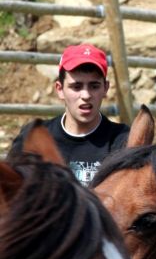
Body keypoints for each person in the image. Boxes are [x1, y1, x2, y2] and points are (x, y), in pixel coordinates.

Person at [10, 44, 129, 186]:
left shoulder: (122, 140)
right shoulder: (33, 138)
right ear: (60, 89)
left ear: (105, 88)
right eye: (76, 87)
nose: (85, 95)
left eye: (94, 86)